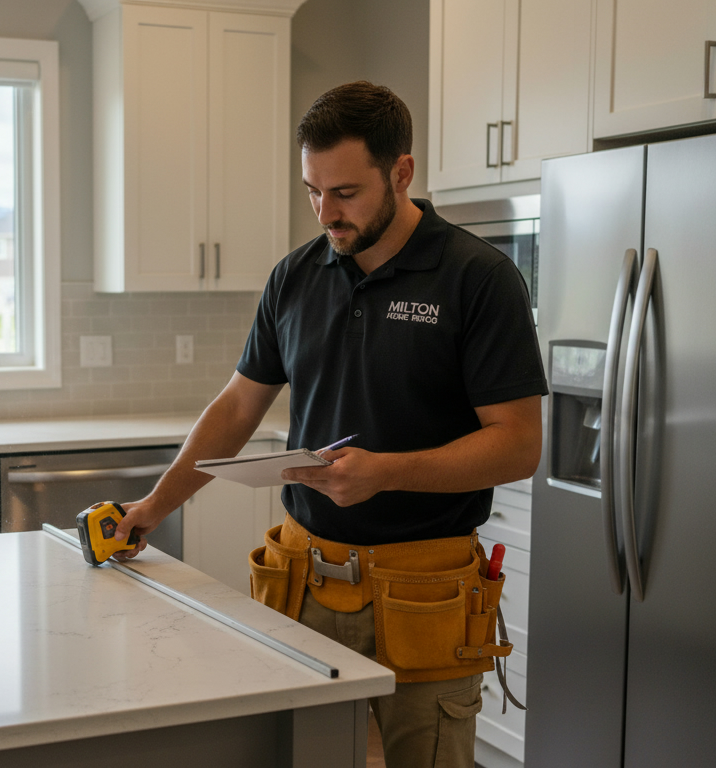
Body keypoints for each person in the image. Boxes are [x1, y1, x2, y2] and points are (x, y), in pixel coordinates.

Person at [112, 81, 547, 768]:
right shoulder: (295, 276)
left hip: (426, 591)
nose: (325, 212)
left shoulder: (477, 278)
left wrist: (386, 472)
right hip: (302, 577)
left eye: (344, 192)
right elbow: (236, 407)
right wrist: (153, 506)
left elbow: (520, 444)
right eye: (313, 191)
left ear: (401, 172)